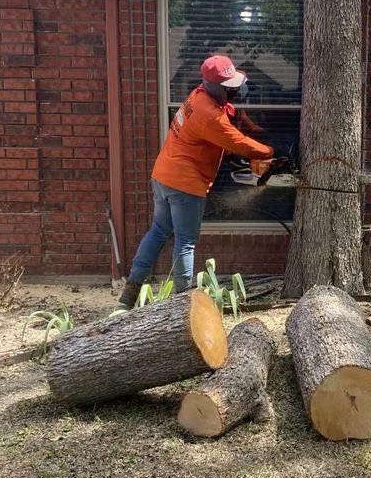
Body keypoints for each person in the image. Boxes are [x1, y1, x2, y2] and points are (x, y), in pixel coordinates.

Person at [117, 55, 274, 309]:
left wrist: (245, 122)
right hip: (185, 183)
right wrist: (268, 151)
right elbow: (235, 142)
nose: (232, 91)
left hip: (163, 175)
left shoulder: (198, 95)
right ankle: (183, 301)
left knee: (158, 232)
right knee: (185, 240)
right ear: (213, 86)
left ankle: (128, 296)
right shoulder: (209, 115)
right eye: (228, 87)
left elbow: (227, 114)